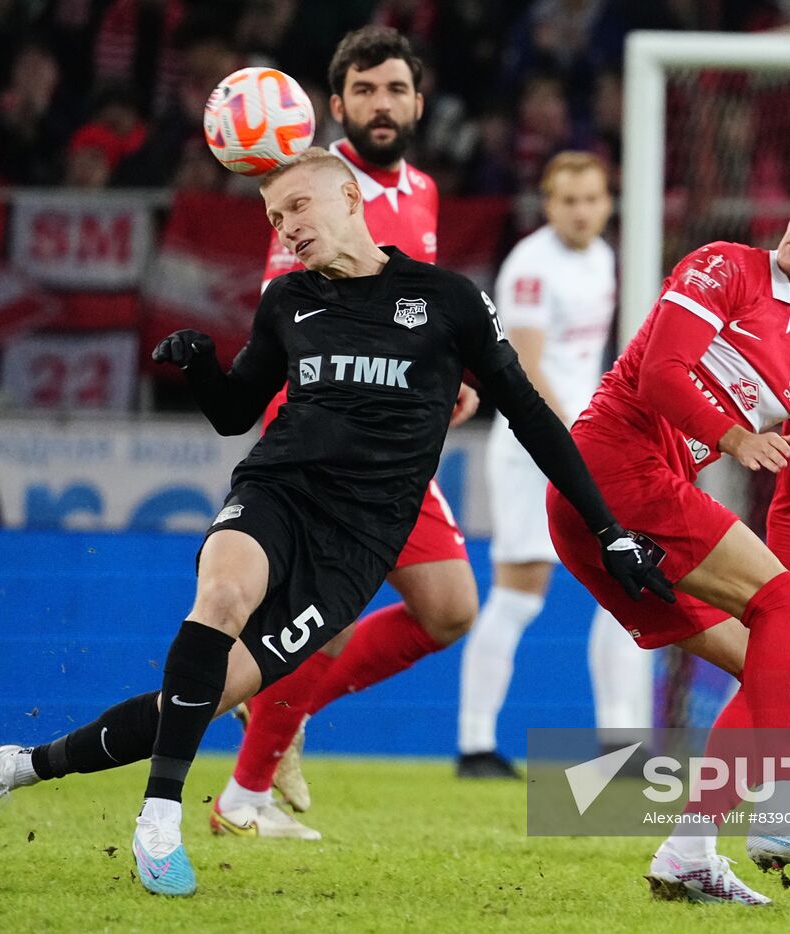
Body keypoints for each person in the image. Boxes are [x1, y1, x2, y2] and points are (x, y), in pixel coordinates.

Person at [0, 147, 672, 899]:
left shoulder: (449, 300)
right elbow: (236, 412)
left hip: (357, 545)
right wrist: (202, 366)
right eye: (276, 218)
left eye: (299, 207)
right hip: (277, 491)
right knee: (220, 597)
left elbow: (535, 419)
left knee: (198, 699)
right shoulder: (287, 301)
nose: (287, 227)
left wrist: (610, 531)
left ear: (350, 198)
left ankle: (17, 766)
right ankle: (160, 820)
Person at [546, 169, 790, 906]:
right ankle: (778, 813)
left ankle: (689, 852)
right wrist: (733, 437)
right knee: (782, 615)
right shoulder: (727, 267)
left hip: (634, 512)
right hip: (610, 468)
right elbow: (662, 376)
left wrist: (784, 630)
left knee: (778, 675)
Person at [213, 25, 481, 839]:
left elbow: (417, 316)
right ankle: (241, 792)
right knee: (324, 618)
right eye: (364, 90)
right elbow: (293, 322)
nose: (382, 104)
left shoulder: (426, 192)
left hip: (396, 436)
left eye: (395, 88)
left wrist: (450, 380)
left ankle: (269, 739)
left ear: (418, 102)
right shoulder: (312, 184)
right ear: (336, 106)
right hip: (328, 434)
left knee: (448, 610)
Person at [456, 150, 647, 777]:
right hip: (533, 446)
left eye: (593, 198)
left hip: (585, 438)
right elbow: (528, 368)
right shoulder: (530, 266)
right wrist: (579, 437)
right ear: (548, 204)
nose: (582, 211)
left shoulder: (604, 257)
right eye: (569, 200)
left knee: (627, 583)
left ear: (608, 202)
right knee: (519, 594)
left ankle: (622, 745)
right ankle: (476, 743)